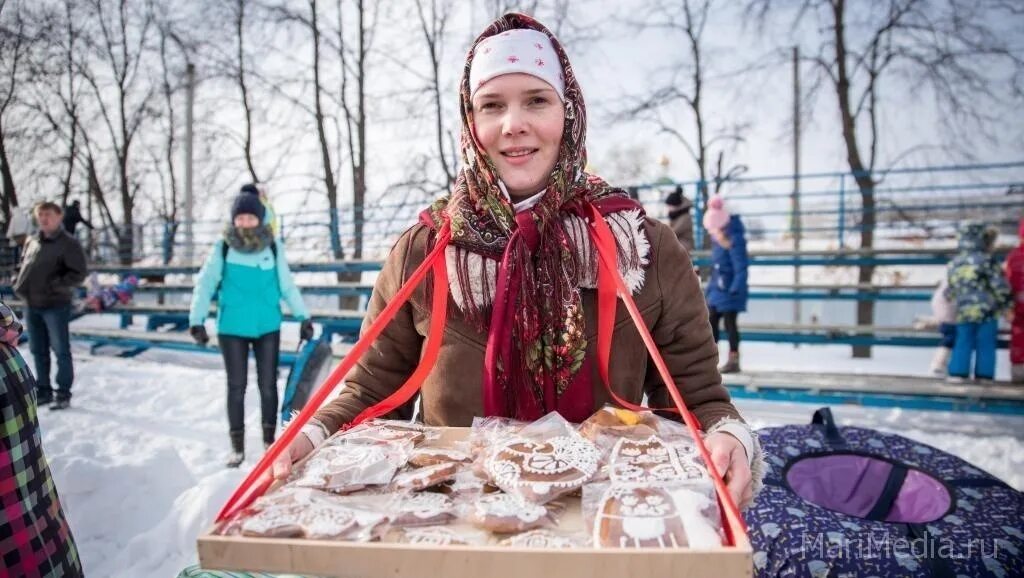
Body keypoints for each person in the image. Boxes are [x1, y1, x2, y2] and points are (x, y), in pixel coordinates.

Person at [272, 13, 763, 509]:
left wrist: (729, 440)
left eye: (537, 100)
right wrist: (311, 435)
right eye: (492, 105)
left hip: (599, 529)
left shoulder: (643, 249)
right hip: (451, 531)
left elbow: (698, 400)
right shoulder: (424, 252)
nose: (514, 125)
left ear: (568, 112)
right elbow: (372, 390)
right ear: (471, 121)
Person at [189, 185, 314, 468]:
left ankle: (271, 443)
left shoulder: (272, 246)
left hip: (267, 326)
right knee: (237, 386)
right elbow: (205, 284)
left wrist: (303, 317)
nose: (244, 222)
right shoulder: (223, 247)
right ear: (234, 220)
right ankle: (237, 447)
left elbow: (287, 286)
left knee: (268, 385)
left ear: (260, 218)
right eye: (240, 217)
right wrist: (196, 320)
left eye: (250, 217)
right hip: (231, 328)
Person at [0, 301, 84, 577]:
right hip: (51, 556)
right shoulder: (6, 346)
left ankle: (61, 389)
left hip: (19, 556)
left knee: (59, 350)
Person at [13, 202, 88, 410]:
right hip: (32, 304)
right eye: (40, 214)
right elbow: (22, 265)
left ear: (59, 216)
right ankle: (43, 389)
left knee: (61, 349)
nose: (44, 218)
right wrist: (16, 279)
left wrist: (55, 284)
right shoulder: (33, 241)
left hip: (55, 304)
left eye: (48, 214)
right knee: (38, 350)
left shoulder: (69, 243)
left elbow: (78, 273)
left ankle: (63, 392)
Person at [945, 222, 1012, 382]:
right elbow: (999, 285)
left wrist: (953, 298)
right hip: (987, 310)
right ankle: (984, 374)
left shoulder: (955, 262)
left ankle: (958, 372)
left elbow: (951, 286)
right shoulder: (987, 260)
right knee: (986, 343)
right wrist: (1006, 303)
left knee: (963, 340)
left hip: (963, 310)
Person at [702, 194, 749, 374]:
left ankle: (733, 359)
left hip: (730, 290)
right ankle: (709, 359)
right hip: (719, 289)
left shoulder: (734, 240)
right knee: (711, 321)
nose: (714, 233)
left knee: (730, 323)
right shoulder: (718, 240)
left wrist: (735, 288)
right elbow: (717, 267)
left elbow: (740, 266)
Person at [1005, 218, 1024, 383]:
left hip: (1018, 305)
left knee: (1018, 337)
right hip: (1017, 306)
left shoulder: (1014, 256)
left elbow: (1008, 281)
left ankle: (1019, 373)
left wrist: (1008, 306)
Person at [929, 277, 957, 376]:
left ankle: (941, 364)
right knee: (950, 339)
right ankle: (939, 364)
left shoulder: (948, 283)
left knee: (950, 338)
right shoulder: (953, 284)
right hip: (948, 317)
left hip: (945, 315)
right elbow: (951, 300)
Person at [665, 185, 695, 253]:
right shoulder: (676, 215)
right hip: (678, 242)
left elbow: (673, 232)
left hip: (685, 244)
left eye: (670, 205)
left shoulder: (685, 217)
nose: (668, 208)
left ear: (676, 205)